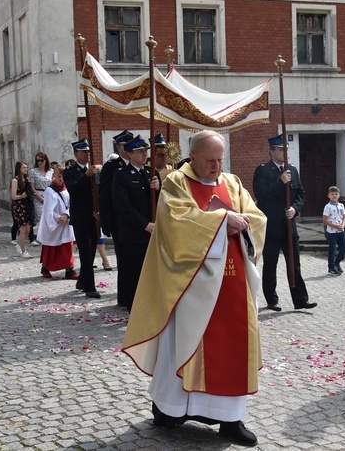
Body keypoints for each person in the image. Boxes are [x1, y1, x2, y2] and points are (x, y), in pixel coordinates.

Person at [122, 130, 266, 446]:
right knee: (183, 346)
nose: (217, 166)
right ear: (194, 157)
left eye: (220, 159)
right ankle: (170, 409)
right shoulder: (176, 183)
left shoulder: (232, 183)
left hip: (232, 285)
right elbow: (176, 223)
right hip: (191, 286)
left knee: (233, 347)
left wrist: (241, 221)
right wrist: (220, 222)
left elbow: (256, 219)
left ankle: (230, 420)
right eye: (210, 160)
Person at [252, 134, 317, 311]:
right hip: (272, 226)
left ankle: (300, 299)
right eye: (281, 150)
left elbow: (301, 193)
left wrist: (295, 209)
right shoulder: (263, 170)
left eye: (286, 150)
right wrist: (280, 182)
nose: (285, 153)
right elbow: (261, 194)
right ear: (272, 152)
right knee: (271, 264)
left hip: (289, 226)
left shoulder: (292, 170)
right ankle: (272, 299)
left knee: (294, 263)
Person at [111, 134, 161, 311]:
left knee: (152, 273)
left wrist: (158, 188)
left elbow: (160, 202)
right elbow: (122, 206)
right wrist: (144, 225)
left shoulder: (151, 173)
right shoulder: (121, 175)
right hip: (134, 233)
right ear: (129, 154)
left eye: (145, 150)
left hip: (153, 232)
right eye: (139, 151)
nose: (144, 154)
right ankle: (135, 309)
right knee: (134, 273)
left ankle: (152, 306)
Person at [63, 139, 102, 299]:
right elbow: (73, 189)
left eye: (88, 151)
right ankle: (90, 288)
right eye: (83, 152)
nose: (87, 154)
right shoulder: (70, 171)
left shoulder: (93, 171)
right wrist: (86, 176)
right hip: (79, 218)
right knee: (85, 252)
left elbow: (97, 191)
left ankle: (82, 280)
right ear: (76, 153)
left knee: (92, 251)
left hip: (93, 216)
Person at [99, 130, 133, 300]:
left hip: (137, 221)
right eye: (125, 146)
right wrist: (106, 223)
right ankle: (124, 296)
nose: (128, 149)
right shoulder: (112, 167)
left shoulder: (141, 166)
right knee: (123, 260)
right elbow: (104, 196)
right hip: (119, 220)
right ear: (118, 147)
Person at [37, 164, 78, 279]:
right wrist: (59, 218)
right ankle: (46, 267)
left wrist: (67, 214)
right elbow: (48, 210)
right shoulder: (50, 191)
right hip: (55, 223)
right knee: (52, 246)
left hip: (65, 222)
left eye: (63, 177)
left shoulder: (67, 189)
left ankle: (69, 269)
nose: (61, 180)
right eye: (59, 176)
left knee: (67, 246)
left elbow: (71, 203)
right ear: (54, 176)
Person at [28, 152, 53, 246]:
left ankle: (48, 236)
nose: (39, 162)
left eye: (41, 160)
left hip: (49, 194)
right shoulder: (33, 171)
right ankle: (39, 236)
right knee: (41, 216)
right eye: (38, 160)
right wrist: (41, 198)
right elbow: (32, 187)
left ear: (46, 160)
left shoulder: (51, 171)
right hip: (38, 195)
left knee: (49, 216)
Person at [322, 185, 345, 275]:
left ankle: (337, 263)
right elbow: (325, 220)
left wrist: (342, 225)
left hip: (341, 231)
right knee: (332, 250)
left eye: (336, 194)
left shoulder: (341, 206)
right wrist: (335, 226)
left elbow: (344, 217)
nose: (334, 196)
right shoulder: (328, 207)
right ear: (328, 195)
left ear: (339, 195)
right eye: (332, 194)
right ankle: (331, 267)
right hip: (332, 232)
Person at [10, 161, 34, 258]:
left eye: (26, 168)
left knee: (28, 228)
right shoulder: (15, 180)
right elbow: (13, 196)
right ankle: (24, 251)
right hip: (18, 206)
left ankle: (20, 245)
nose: (26, 169)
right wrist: (22, 196)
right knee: (23, 228)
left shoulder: (27, 180)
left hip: (26, 206)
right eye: (24, 167)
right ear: (19, 168)